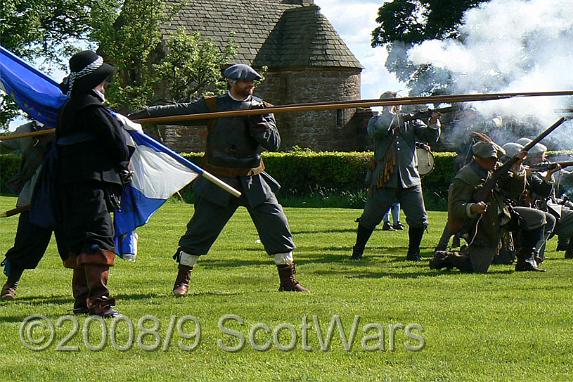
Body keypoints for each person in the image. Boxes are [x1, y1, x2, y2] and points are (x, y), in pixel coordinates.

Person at [129, 63, 307, 294]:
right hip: (219, 180)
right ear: (231, 83)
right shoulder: (212, 106)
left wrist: (262, 128)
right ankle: (182, 281)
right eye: (245, 82)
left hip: (253, 180)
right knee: (201, 229)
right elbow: (179, 111)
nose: (250, 86)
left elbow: (274, 143)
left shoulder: (262, 108)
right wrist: (139, 117)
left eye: (253, 82)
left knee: (277, 224)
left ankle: (288, 281)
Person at [55, 50, 134, 317]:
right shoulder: (91, 107)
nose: (105, 87)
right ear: (95, 83)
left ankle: (82, 302)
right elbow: (116, 143)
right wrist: (124, 158)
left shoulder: (71, 106)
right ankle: (98, 302)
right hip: (91, 183)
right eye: (104, 82)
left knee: (80, 239)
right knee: (96, 238)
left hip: (73, 183)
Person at [429, 141, 546, 273]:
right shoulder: (465, 177)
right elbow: (456, 207)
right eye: (490, 159)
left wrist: (518, 167)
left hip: (503, 215)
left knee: (537, 218)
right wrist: (473, 207)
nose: (494, 161)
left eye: (495, 158)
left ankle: (526, 260)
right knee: (476, 268)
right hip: (481, 226)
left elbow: (515, 191)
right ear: (478, 158)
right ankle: (448, 258)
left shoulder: (495, 169)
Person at [351, 91, 440, 261]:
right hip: (384, 179)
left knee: (418, 218)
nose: (397, 105)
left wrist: (434, 122)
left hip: (409, 179)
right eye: (393, 102)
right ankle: (358, 250)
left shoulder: (412, 121)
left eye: (398, 103)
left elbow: (430, 137)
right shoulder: (376, 121)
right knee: (369, 218)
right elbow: (379, 131)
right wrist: (389, 112)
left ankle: (413, 252)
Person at [0, 121, 53, 300]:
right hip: (33, 200)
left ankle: (88, 292)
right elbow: (4, 144)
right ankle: (11, 285)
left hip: (69, 200)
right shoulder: (26, 131)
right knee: (26, 244)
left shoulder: (77, 123)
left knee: (79, 247)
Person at [524, 143, 573, 260]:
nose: (543, 158)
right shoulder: (527, 173)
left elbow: (567, 177)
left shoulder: (544, 168)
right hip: (536, 208)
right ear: (530, 157)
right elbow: (542, 191)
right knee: (547, 219)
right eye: (539, 156)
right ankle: (533, 255)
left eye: (542, 155)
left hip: (551, 207)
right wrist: (548, 174)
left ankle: (571, 250)